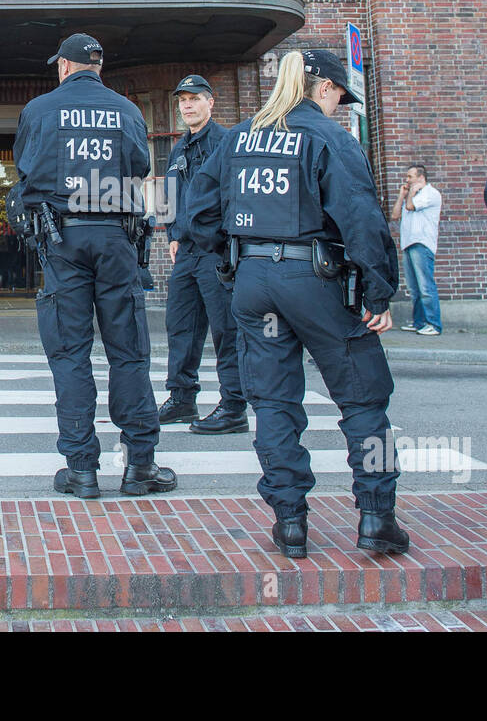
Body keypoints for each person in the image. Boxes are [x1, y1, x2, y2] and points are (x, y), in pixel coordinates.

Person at [186, 50, 408, 560]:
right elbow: (363, 222)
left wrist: (234, 254)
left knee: (273, 402)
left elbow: (198, 213)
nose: (338, 107)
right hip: (317, 279)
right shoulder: (329, 138)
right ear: (325, 88)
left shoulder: (239, 137)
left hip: (253, 280)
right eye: (338, 97)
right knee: (362, 400)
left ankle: (290, 523)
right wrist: (378, 291)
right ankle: (376, 517)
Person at [11, 32, 175, 498]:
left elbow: (25, 172)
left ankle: (82, 468)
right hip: (115, 237)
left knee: (70, 353)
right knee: (129, 352)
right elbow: (141, 166)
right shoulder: (127, 110)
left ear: (64, 66)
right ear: (97, 68)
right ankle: (139, 465)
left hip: (63, 238)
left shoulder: (39, 109)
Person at [157, 74, 247, 433]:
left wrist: (222, 241)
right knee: (181, 326)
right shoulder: (179, 148)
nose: (187, 106)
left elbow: (235, 196)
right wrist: (172, 233)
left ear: (211, 102)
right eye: (182, 101)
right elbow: (170, 194)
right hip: (187, 251)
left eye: (194, 99)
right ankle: (182, 398)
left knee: (226, 329)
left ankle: (234, 406)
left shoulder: (226, 142)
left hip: (216, 251)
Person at [391, 163, 442, 335]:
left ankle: (433, 324)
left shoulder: (430, 193)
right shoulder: (410, 196)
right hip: (408, 243)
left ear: (421, 177)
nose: (407, 180)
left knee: (426, 287)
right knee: (414, 288)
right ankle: (419, 322)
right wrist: (401, 195)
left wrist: (410, 194)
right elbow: (395, 215)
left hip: (422, 243)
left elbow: (411, 207)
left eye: (410, 176)